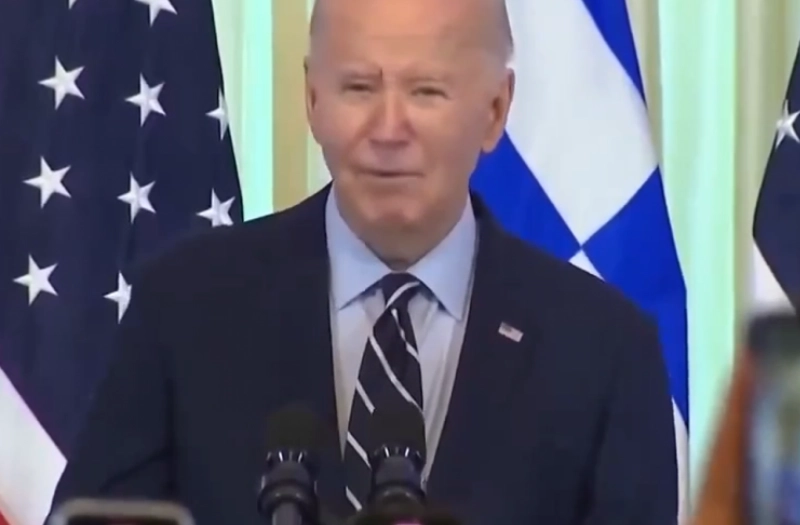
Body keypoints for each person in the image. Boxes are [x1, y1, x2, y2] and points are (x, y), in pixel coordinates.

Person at [47, 0, 677, 524]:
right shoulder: (183, 307)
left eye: (426, 91)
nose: (388, 129)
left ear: (495, 110)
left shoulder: (605, 350)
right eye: (358, 87)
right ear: (312, 98)